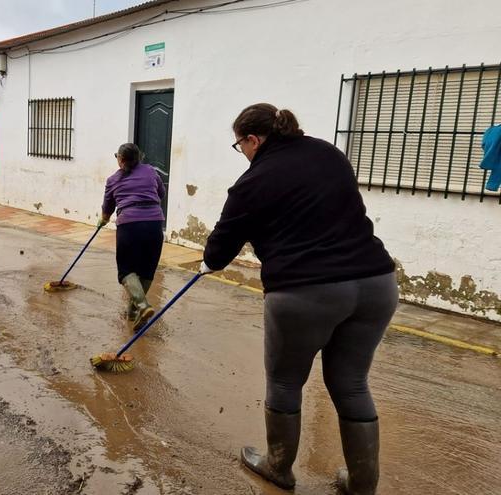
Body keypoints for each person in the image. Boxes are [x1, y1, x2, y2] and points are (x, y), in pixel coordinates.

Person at [201, 103, 397, 494]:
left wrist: (210, 260)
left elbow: (216, 255)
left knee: (285, 382)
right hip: (376, 282)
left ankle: (279, 468)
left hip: (305, 291)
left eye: (240, 146)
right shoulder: (329, 153)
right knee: (352, 383)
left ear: (253, 139)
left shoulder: (251, 183)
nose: (243, 153)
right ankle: (362, 484)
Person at [99, 143, 165, 331]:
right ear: (139, 158)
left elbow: (107, 207)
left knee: (126, 271)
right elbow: (161, 193)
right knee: (146, 269)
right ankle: (134, 312)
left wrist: (103, 220)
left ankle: (143, 306)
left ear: (120, 159)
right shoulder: (151, 172)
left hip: (129, 226)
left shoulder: (113, 179)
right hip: (154, 224)